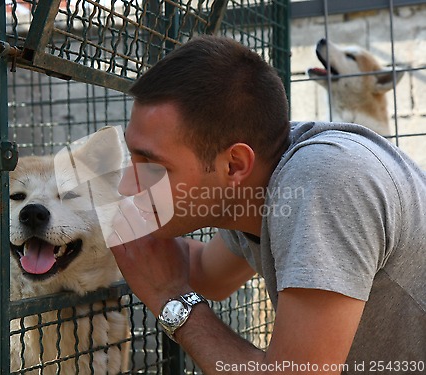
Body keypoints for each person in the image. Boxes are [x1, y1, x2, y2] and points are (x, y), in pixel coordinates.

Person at [108, 35, 426, 374]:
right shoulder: (261, 179)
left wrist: (170, 298)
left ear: (234, 165)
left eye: (152, 163)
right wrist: (96, 232)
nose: (129, 184)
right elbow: (205, 272)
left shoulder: (322, 179)